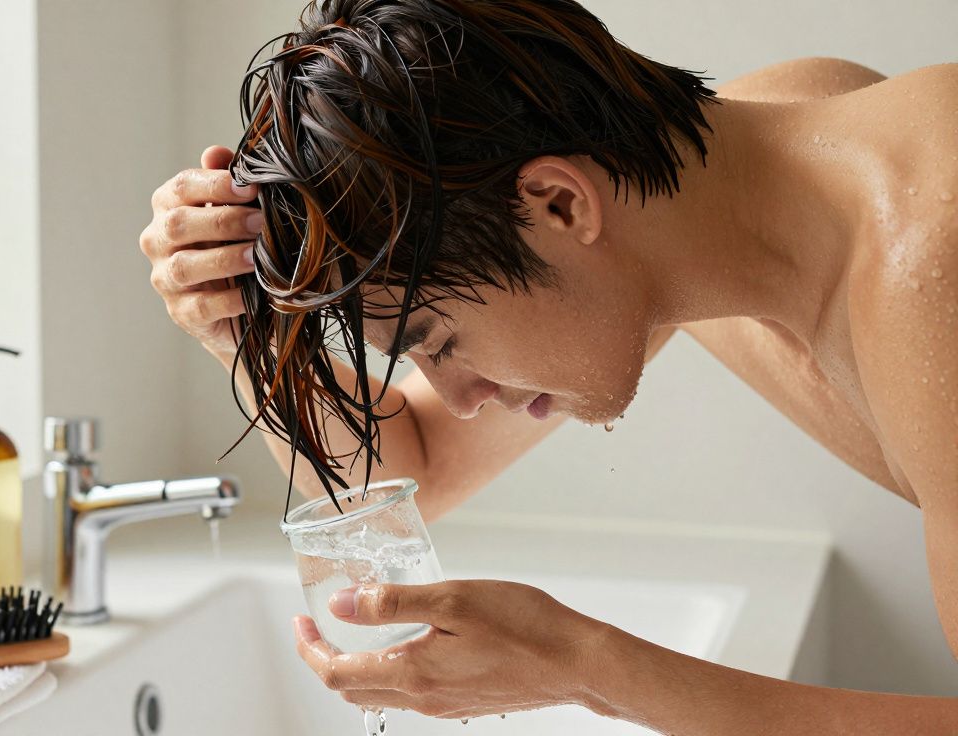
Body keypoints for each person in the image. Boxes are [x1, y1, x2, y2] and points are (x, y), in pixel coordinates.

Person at [140, 0, 958, 731]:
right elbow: (413, 467)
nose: (456, 398)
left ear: (560, 204)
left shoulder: (931, 258)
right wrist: (230, 322)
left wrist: (588, 668)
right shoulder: (738, 188)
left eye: (439, 342)